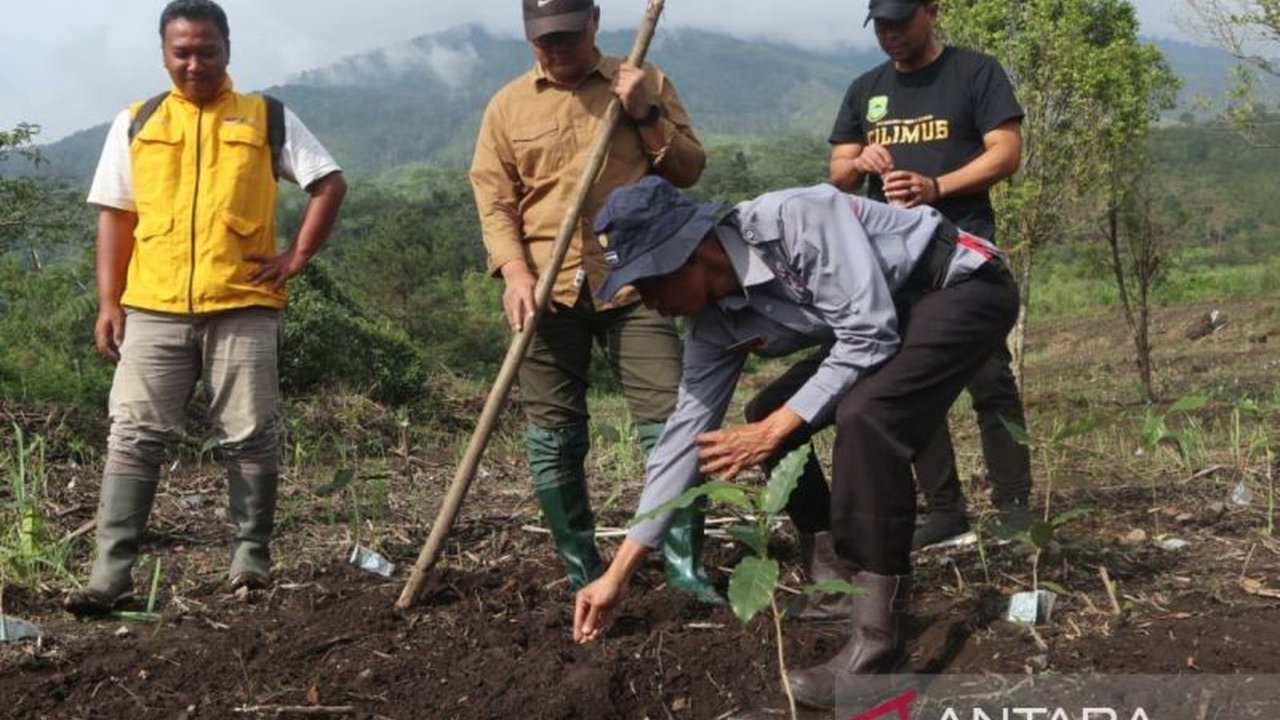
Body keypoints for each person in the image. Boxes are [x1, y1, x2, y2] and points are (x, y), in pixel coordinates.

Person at [571, 175, 1019, 710]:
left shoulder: (796, 221)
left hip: (959, 286)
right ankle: (835, 588)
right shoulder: (712, 326)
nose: (649, 303)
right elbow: (683, 439)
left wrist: (774, 430)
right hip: (895, 315)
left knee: (865, 417)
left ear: (688, 254)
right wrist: (618, 573)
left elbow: (869, 334)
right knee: (769, 413)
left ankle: (880, 647)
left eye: (649, 284)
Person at [64, 0, 346, 617]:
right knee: (133, 435)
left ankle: (250, 561)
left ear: (227, 50)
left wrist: (296, 256)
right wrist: (109, 301)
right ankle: (109, 576)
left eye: (207, 51)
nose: (194, 64)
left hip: (243, 303)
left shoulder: (265, 116)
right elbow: (116, 215)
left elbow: (328, 181)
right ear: (164, 53)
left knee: (248, 433)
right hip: (153, 306)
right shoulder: (138, 122)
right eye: (182, 52)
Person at [468, 0, 717, 600]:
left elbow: (690, 169)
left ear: (595, 23)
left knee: (670, 423)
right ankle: (582, 567)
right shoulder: (507, 106)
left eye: (567, 37)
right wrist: (514, 272)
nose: (556, 50)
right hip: (547, 290)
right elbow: (495, 202)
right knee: (553, 436)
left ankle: (683, 566)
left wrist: (645, 114)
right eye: (543, 40)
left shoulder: (643, 80)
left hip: (638, 282)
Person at [829, 0, 1032, 552]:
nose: (890, 34)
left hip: (965, 255)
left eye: (901, 22)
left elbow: (1006, 153)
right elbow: (839, 172)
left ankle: (1014, 508)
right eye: (881, 25)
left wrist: (936, 187)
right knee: (911, 385)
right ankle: (944, 510)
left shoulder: (975, 72)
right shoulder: (865, 89)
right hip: (894, 264)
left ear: (933, 11)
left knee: (990, 381)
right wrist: (860, 164)